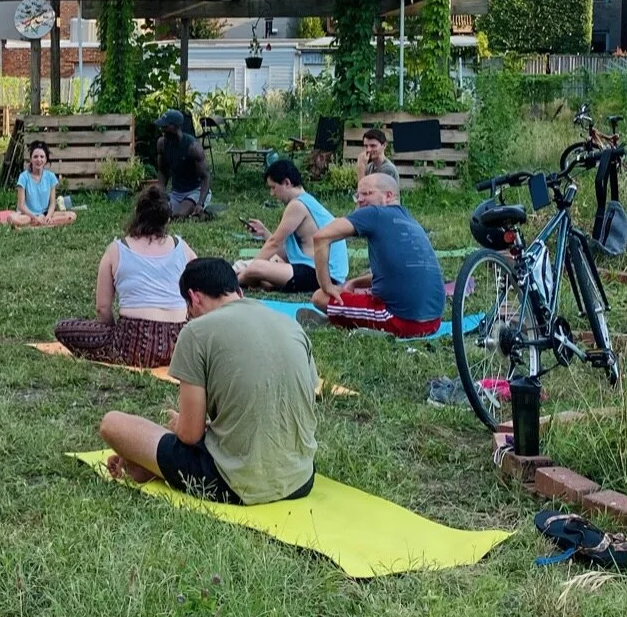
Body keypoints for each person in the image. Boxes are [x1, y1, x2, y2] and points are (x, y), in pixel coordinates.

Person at [97, 257, 318, 505]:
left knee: (112, 423)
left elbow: (190, 436)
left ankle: (148, 464)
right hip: (301, 479)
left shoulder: (196, 331)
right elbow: (300, 400)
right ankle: (149, 464)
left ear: (194, 298)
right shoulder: (291, 326)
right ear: (238, 291)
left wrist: (179, 426)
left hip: (234, 484)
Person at [53, 182, 192, 368]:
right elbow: (203, 290)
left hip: (133, 344)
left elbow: (102, 308)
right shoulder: (182, 248)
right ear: (167, 219)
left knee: (64, 328)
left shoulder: (117, 249)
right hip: (178, 345)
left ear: (137, 214)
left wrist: (109, 331)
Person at [299, 170, 447, 335]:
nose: (360, 199)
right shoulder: (410, 220)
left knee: (320, 297)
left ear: (388, 196)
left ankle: (344, 323)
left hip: (401, 320)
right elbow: (398, 271)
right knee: (356, 292)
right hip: (434, 322)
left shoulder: (374, 213)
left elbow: (321, 237)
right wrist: (355, 282)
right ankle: (341, 320)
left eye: (366, 194)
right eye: (357, 195)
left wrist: (327, 286)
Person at [234, 158, 348, 293]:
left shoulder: (297, 205)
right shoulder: (306, 201)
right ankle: (258, 281)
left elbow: (274, 243)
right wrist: (264, 233)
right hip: (318, 270)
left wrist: (250, 270)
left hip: (323, 275)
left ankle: (233, 282)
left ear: (287, 183)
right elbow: (288, 253)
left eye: (273, 187)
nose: (272, 193)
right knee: (254, 264)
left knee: (256, 267)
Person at [0, 141, 77, 228]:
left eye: (42, 157)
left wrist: (48, 216)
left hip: (44, 214)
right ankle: (46, 224)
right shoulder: (23, 177)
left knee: (72, 215)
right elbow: (21, 206)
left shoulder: (50, 176)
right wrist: (34, 217)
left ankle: (40, 224)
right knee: (12, 218)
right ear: (31, 159)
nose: (39, 160)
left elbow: (52, 203)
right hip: (27, 215)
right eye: (35, 157)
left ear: (46, 159)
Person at [155, 109, 212, 218]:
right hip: (176, 193)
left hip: (195, 191)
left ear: (176, 127)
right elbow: (162, 171)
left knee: (178, 215)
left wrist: (200, 203)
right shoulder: (161, 144)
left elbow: (206, 176)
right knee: (158, 212)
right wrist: (161, 193)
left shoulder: (193, 147)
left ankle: (203, 211)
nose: (162, 129)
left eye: (165, 127)